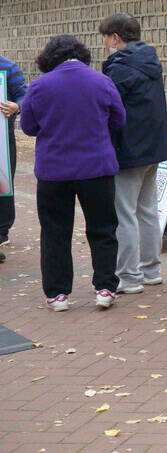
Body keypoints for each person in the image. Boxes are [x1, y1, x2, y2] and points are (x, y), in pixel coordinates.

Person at [20, 35, 126, 311]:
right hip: (96, 167)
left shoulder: (39, 85)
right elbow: (119, 119)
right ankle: (105, 287)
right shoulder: (102, 81)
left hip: (53, 170)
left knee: (54, 232)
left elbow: (28, 126)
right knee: (103, 228)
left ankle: (58, 294)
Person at [99, 14, 167, 294]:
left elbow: (107, 109)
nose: (105, 44)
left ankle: (128, 276)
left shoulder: (120, 69)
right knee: (147, 210)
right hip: (153, 147)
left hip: (128, 149)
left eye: (105, 38)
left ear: (115, 38)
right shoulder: (149, 61)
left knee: (124, 213)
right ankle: (151, 269)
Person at [0, 53, 27, 261]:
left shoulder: (8, 67)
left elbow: (25, 95)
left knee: (3, 183)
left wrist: (17, 106)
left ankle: (2, 229)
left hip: (2, 137)